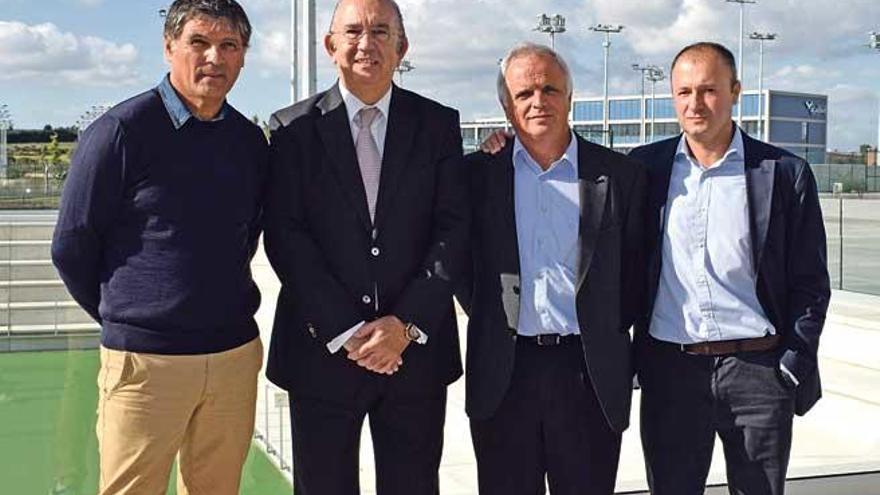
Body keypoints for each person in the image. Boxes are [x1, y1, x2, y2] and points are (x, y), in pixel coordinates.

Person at [51, 1, 266, 493]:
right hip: (146, 366)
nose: (214, 57)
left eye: (229, 46)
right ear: (169, 47)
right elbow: (71, 245)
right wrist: (130, 315)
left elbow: (244, 234)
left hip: (233, 358)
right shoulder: (121, 132)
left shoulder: (250, 142)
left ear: (242, 57)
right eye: (199, 42)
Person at [263, 0, 469, 493]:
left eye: (381, 31)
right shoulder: (292, 130)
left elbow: (452, 230)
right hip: (322, 353)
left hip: (413, 356)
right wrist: (347, 328)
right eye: (353, 31)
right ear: (330, 45)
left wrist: (405, 325)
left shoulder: (438, 125)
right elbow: (286, 236)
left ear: (402, 46)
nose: (366, 43)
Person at [628, 42, 831, 495]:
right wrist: (502, 145)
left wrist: (792, 363)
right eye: (683, 92)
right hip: (670, 371)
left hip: (758, 371)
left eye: (708, 90)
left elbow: (811, 283)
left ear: (735, 91)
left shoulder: (783, 172)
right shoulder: (643, 169)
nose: (694, 104)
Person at [461, 42, 646, 494]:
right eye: (523, 94)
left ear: (569, 96)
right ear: (506, 106)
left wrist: (604, 329)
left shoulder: (621, 176)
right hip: (504, 376)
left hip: (588, 376)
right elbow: (464, 270)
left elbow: (636, 276)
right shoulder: (475, 177)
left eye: (549, 89)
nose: (537, 101)